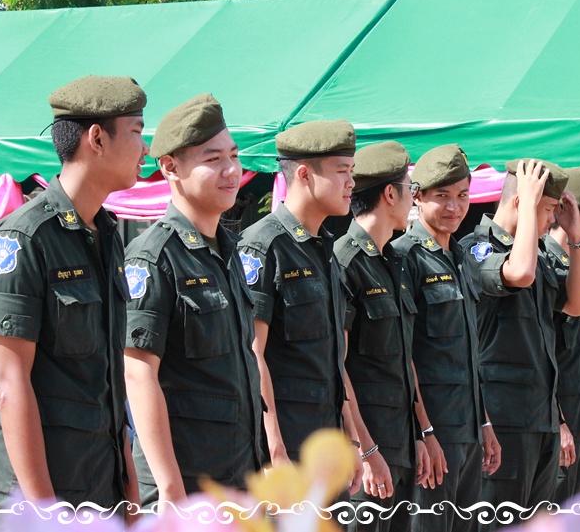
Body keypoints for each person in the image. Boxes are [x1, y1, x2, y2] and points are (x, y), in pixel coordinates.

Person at [0, 75, 148, 524]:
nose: (146, 147)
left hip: (100, 488)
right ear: (97, 138)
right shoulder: (27, 236)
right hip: (35, 496)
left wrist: (129, 494)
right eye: (136, 131)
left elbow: (108, 386)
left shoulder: (108, 234)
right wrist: (45, 514)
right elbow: (10, 381)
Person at [123, 94, 263, 505]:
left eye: (233, 156)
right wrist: (169, 488)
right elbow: (138, 373)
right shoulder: (154, 256)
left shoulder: (230, 251)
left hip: (238, 472)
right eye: (213, 159)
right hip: (185, 482)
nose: (231, 170)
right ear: (171, 167)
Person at [460, 159, 580, 519]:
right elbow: (519, 273)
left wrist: (576, 238)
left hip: (540, 418)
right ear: (521, 202)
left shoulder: (540, 256)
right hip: (502, 420)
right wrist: (532, 209)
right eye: (548, 210)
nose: (552, 220)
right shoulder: (477, 248)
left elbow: (577, 305)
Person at [237, 119, 359, 483]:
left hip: (326, 445)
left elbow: (333, 361)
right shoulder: (263, 246)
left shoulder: (324, 249)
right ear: (304, 175)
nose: (351, 183)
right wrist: (275, 450)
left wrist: (352, 441)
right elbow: (253, 354)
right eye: (342, 171)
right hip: (287, 448)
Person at [393, 144, 499, 532]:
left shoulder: (461, 256)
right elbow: (404, 354)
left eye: (462, 196)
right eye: (442, 196)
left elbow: (468, 354)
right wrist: (425, 431)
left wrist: (484, 424)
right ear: (417, 196)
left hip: (468, 427)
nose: (454, 207)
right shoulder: (404, 257)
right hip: (435, 429)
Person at [336, 141, 429, 530]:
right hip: (369, 450)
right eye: (410, 189)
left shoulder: (393, 260)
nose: (413, 199)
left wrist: (421, 434)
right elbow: (337, 365)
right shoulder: (346, 261)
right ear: (390, 194)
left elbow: (402, 358)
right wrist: (365, 448)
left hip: (400, 444)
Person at [544, 166, 580, 502]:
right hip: (556, 421)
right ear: (569, 211)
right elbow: (543, 353)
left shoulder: (574, 262)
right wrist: (560, 421)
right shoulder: (547, 263)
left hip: (578, 417)